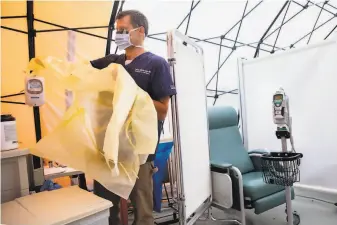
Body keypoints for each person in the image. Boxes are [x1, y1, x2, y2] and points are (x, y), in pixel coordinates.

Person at [89, 10, 177, 225]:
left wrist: (131, 97)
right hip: (108, 149)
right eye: (116, 30)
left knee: (142, 211)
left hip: (139, 153)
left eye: (123, 30)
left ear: (140, 32)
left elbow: (163, 110)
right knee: (106, 209)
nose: (118, 34)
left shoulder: (156, 64)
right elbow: (81, 72)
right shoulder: (112, 62)